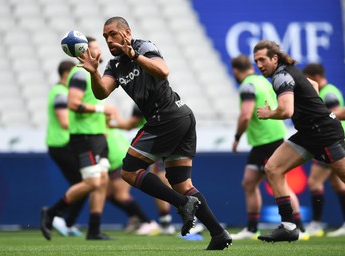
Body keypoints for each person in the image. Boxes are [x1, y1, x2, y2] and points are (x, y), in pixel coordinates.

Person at [77, 16, 231, 250]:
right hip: (178, 118)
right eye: (105, 36)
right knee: (180, 182)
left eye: (113, 34)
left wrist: (134, 56)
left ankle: (182, 204)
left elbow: (163, 71)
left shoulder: (143, 47)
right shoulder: (114, 65)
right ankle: (218, 233)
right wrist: (93, 73)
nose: (108, 39)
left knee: (128, 172)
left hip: (167, 117)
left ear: (126, 33)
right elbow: (101, 93)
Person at [253, 39, 345, 242]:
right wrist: (311, 104)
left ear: (274, 58)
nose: (259, 65)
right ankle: (288, 227)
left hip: (324, 133)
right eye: (256, 61)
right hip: (308, 133)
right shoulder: (289, 71)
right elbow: (311, 84)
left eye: (262, 60)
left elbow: (286, 110)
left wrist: (269, 113)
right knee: (273, 168)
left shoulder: (281, 76)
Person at [41, 36, 116, 241]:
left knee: (102, 182)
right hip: (84, 137)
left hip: (97, 136)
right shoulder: (80, 73)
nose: (98, 51)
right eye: (92, 48)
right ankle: (53, 212)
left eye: (98, 47)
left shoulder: (92, 74)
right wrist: (102, 109)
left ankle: (93, 230)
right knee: (92, 182)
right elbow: (73, 103)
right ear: (83, 51)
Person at [229, 55, 308, 240]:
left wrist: (237, 137)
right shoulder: (261, 81)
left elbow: (246, 115)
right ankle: (251, 228)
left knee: (280, 183)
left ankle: (299, 228)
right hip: (263, 141)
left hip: (268, 140)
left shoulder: (247, 85)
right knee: (249, 182)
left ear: (235, 71)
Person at [109, 105, 177, 235]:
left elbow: (129, 124)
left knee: (162, 180)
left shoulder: (143, 99)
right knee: (175, 180)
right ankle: (170, 221)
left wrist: (113, 119)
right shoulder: (164, 97)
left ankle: (172, 221)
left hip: (159, 141)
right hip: (173, 137)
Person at [303, 63, 345, 237]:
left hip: (331, 140)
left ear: (317, 77)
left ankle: (316, 224)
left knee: (314, 181)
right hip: (337, 139)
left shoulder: (327, 93)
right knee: (337, 183)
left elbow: (337, 113)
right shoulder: (330, 90)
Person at [45, 60, 86, 237]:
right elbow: (64, 122)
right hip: (61, 144)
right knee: (84, 184)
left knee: (83, 184)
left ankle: (64, 221)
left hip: (62, 145)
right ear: (65, 74)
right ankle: (59, 217)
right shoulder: (61, 94)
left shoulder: (60, 92)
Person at [105, 126, 160, 235]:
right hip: (117, 162)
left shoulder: (101, 130)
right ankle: (135, 218)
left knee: (121, 196)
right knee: (108, 194)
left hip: (119, 163)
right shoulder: (112, 128)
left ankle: (149, 223)